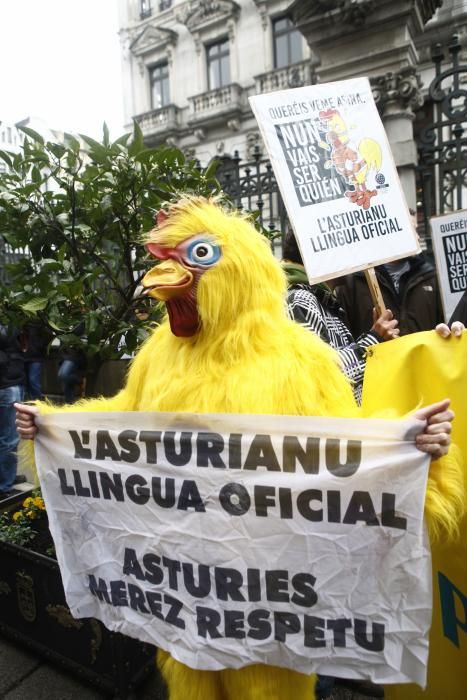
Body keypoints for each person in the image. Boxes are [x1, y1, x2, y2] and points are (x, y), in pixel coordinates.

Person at [283, 229, 399, 404]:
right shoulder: (300, 299)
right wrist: (373, 339)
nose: (352, 256)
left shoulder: (321, 299)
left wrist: (376, 338)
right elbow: (318, 376)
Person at [335, 209, 444, 338]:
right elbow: (344, 340)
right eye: (411, 230)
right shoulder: (353, 282)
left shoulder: (431, 277)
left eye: (417, 230)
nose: (418, 237)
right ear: (390, 230)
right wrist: (373, 337)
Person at [0, 324, 25, 498]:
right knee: (9, 440)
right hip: (7, 383)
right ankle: (4, 486)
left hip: (8, 382)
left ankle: (6, 478)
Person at [57, 321, 87, 403]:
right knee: (68, 385)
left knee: (63, 374)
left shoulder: (80, 318)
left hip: (75, 354)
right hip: (65, 353)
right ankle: (69, 406)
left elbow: (79, 331)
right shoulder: (64, 316)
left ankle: (80, 380)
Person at [22, 322, 51, 400]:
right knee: (25, 382)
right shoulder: (21, 318)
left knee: (33, 380)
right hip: (23, 355)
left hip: (36, 356)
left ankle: (36, 402)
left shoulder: (40, 319)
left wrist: (39, 345)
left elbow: (48, 334)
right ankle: (29, 402)